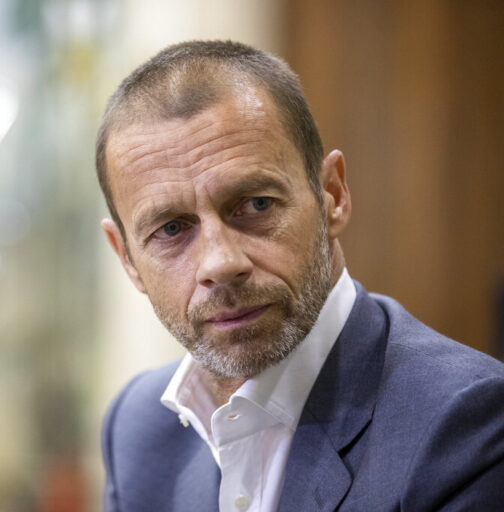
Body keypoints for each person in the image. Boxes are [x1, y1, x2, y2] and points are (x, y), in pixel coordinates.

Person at [96, 40, 504, 512]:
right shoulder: (137, 429)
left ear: (333, 195)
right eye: (171, 229)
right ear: (127, 258)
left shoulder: (465, 426)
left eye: (256, 205)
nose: (220, 263)